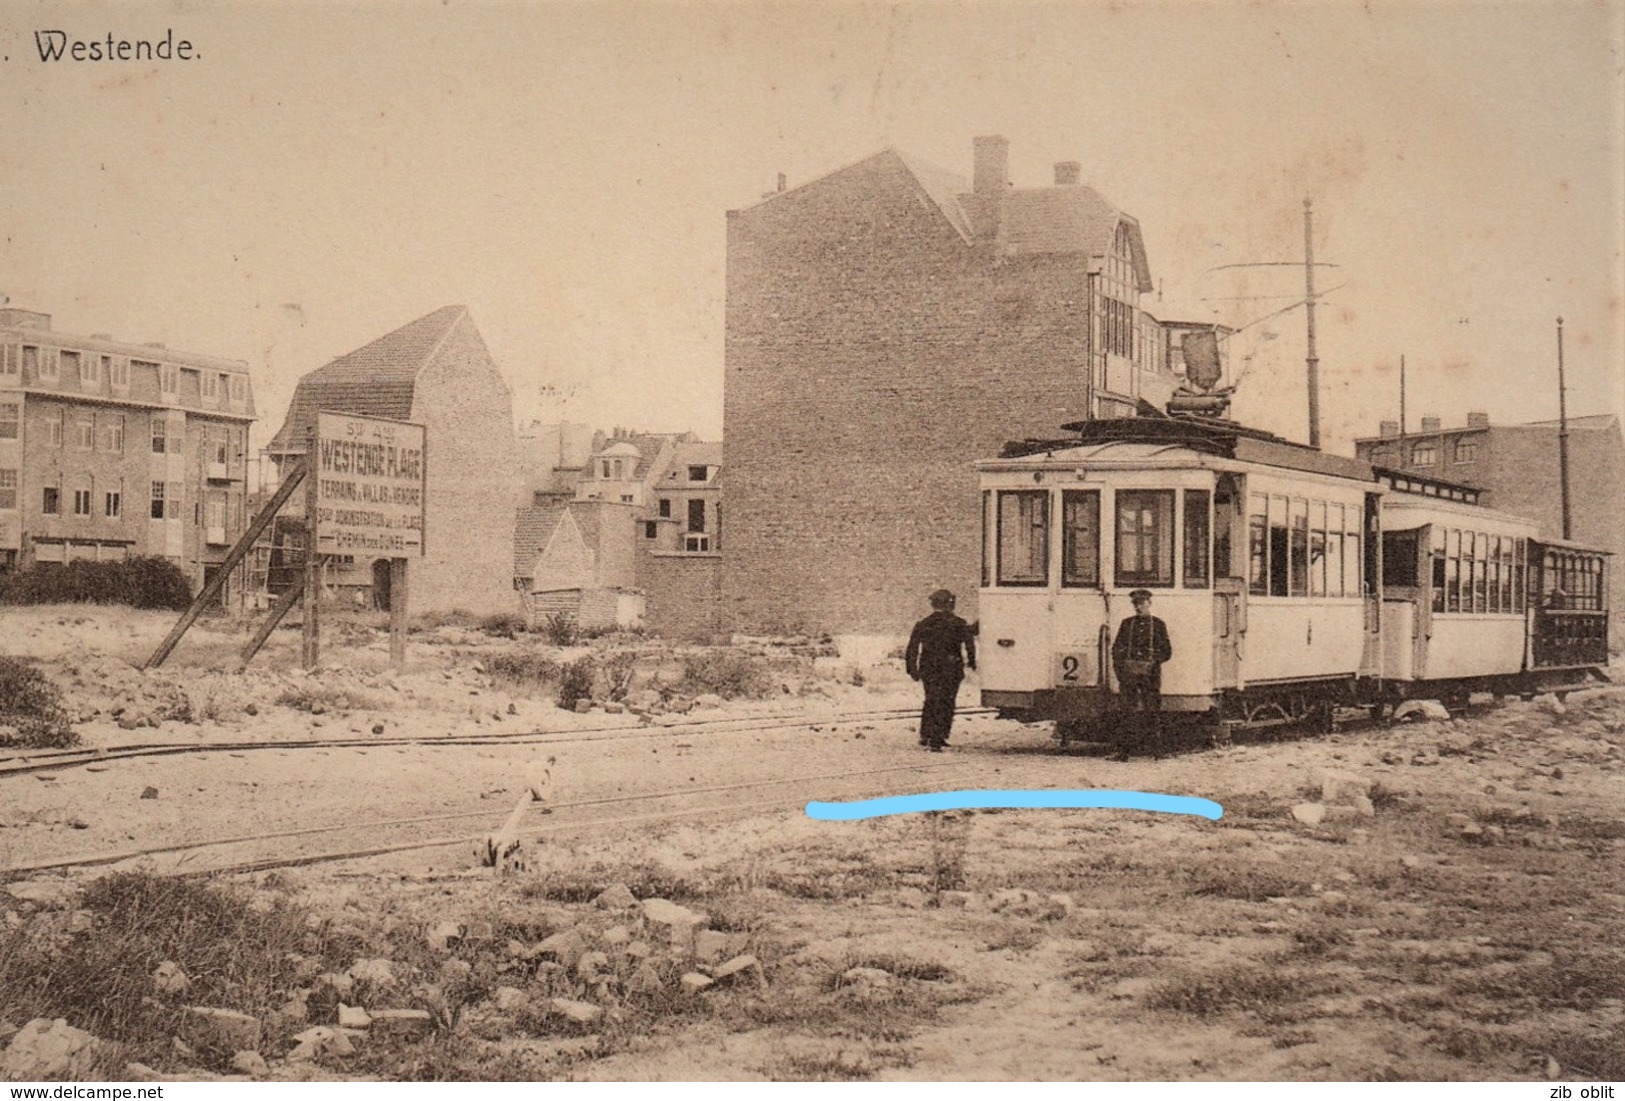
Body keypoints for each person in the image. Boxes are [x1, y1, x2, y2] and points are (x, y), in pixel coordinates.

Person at [906, 589, 977, 752]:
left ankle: (926, 735)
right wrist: (971, 661)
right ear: (950, 604)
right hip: (951, 669)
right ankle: (939, 737)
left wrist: (912, 669)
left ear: (933, 604)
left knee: (931, 699)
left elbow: (912, 648)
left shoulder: (924, 624)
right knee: (946, 701)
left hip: (929, 669)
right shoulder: (958, 623)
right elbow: (969, 643)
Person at [1111, 589, 1173, 760]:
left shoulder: (1158, 625)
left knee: (1152, 711)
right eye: (1135, 604)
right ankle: (1123, 753)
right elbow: (1116, 649)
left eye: (1142, 603)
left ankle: (1157, 752)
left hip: (1150, 676)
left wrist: (1154, 663)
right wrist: (1121, 672)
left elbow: (1167, 651)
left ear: (1149, 604)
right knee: (1126, 713)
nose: (1138, 607)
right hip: (1129, 676)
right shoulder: (1127, 624)